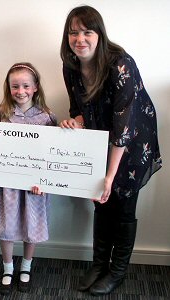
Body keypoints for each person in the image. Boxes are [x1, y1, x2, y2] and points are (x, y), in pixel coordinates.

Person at [60, 5, 162, 296]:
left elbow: (123, 129)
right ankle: (99, 264)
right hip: (97, 140)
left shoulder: (121, 64)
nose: (80, 38)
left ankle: (117, 271)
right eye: (73, 32)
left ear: (99, 34)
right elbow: (79, 108)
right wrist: (75, 122)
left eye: (87, 31)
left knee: (122, 204)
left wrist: (109, 176)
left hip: (133, 140)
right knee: (100, 202)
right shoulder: (71, 65)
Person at [0, 62, 57, 295]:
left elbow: (54, 154)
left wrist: (46, 181)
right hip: (8, 185)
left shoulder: (47, 117)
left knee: (32, 225)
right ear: (9, 88)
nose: (21, 91)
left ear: (35, 87)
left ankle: (26, 267)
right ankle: (8, 268)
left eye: (26, 85)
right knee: (7, 226)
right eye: (15, 86)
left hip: (35, 187)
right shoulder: (3, 115)